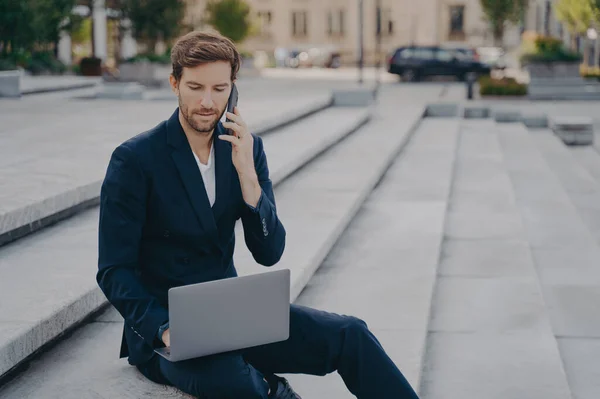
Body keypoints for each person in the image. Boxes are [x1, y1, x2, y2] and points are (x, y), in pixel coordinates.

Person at [96, 30, 420, 399]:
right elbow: (113, 269)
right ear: (175, 84)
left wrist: (248, 176)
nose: (207, 101)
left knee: (351, 334)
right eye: (195, 87)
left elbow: (269, 253)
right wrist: (164, 329)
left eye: (219, 89)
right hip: (166, 331)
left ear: (233, 89)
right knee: (234, 380)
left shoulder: (245, 149)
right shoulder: (135, 159)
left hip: (234, 316)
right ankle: (273, 389)